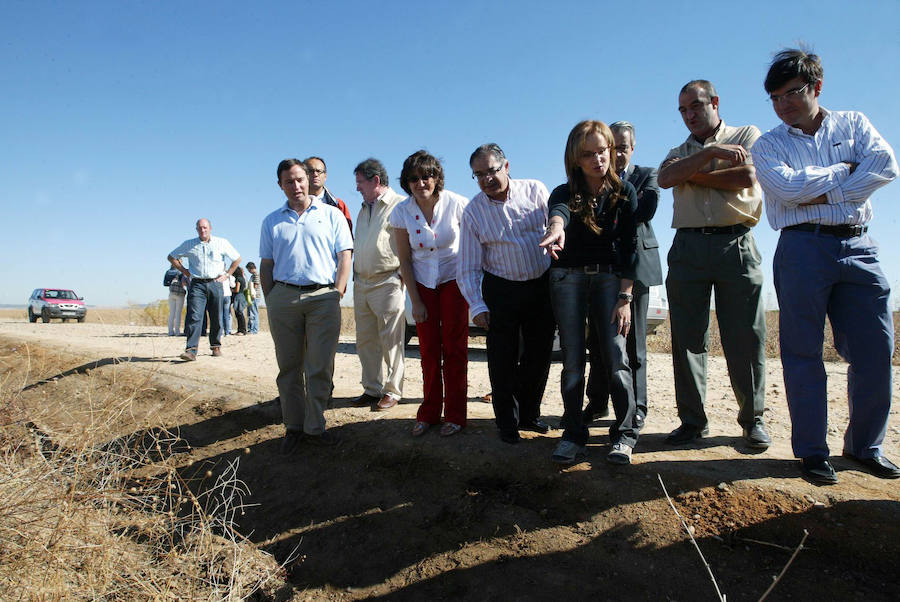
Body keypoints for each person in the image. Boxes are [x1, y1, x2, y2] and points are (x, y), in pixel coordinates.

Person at [751, 49, 899, 484]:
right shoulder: (769, 144)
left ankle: (866, 447)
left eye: (792, 93)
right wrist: (844, 176)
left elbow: (885, 165)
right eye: (775, 97)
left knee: (875, 350)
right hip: (801, 250)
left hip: (860, 248)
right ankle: (813, 454)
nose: (783, 104)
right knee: (802, 354)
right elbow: (784, 188)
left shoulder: (853, 124)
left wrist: (822, 192)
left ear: (817, 87)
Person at [658, 80, 770, 449]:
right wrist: (708, 155)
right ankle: (692, 421)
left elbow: (746, 177)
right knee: (688, 338)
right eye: (683, 110)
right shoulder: (679, 151)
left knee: (744, 337)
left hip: (735, 242)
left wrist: (694, 174)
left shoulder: (747, 134)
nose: (690, 115)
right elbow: (665, 178)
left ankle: (752, 421)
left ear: (715, 102)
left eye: (695, 106)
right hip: (688, 247)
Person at [539, 121, 639, 465]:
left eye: (603, 151)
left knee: (616, 356)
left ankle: (624, 435)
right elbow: (559, 214)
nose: (598, 159)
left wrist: (625, 297)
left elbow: (630, 248)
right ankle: (573, 434)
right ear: (575, 159)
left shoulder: (625, 193)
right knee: (571, 359)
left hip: (610, 281)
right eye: (588, 154)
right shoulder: (563, 193)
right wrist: (556, 228)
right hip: (568, 278)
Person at [458, 143, 555, 444]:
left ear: (507, 167)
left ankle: (529, 414)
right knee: (502, 359)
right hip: (501, 290)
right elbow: (468, 266)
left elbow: (558, 224)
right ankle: (506, 423)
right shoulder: (473, 212)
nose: (487, 179)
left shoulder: (536, 191)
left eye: (492, 170)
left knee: (538, 357)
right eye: (479, 175)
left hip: (541, 285)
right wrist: (477, 304)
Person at [260, 158, 353, 453]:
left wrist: (337, 293)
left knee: (319, 366)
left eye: (300, 179)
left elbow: (345, 256)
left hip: (323, 298)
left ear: (309, 179)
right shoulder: (272, 220)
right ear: (280, 185)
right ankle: (294, 428)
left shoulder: (332, 214)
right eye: (289, 181)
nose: (296, 185)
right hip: (283, 299)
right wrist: (271, 298)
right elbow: (267, 264)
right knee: (289, 368)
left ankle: (316, 428)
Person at [583, 121, 662, 430]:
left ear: (633, 148)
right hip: (601, 268)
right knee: (599, 343)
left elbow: (644, 211)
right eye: (611, 148)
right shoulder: (592, 179)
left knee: (632, 344)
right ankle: (598, 402)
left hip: (635, 269)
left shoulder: (646, 175)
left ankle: (636, 408)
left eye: (624, 148)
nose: (617, 155)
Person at [391, 150, 470, 437]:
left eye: (426, 176)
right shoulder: (401, 212)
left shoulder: (459, 204)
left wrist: (473, 288)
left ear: (437, 178)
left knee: (455, 349)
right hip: (422, 283)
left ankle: (456, 415)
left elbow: (472, 248)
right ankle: (429, 412)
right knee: (428, 351)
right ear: (406, 182)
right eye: (413, 178)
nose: (421, 183)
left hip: (454, 281)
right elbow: (405, 259)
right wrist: (416, 300)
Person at [351, 158, 406, 411]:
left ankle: (393, 391)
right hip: (361, 283)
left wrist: (402, 277)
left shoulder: (399, 206)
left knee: (391, 341)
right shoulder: (363, 209)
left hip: (387, 281)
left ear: (375, 180)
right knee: (365, 341)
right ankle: (371, 389)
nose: (357, 188)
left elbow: (407, 246)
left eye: (360, 182)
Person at [167, 218, 241, 360]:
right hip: (197, 284)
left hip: (215, 283)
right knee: (195, 316)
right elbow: (171, 257)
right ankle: (191, 350)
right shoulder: (189, 244)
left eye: (205, 227)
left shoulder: (222, 242)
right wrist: (184, 271)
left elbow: (237, 259)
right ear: (196, 229)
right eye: (200, 228)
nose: (203, 230)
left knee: (216, 316)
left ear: (210, 228)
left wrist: (227, 275)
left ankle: (215, 346)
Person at [305, 156, 354, 232]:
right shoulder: (294, 205)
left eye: (319, 171)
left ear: (325, 176)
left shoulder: (338, 205)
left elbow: (348, 237)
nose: (315, 174)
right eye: (310, 171)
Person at [166, 268, 188, 336]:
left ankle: (170, 331)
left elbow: (165, 283)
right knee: (178, 313)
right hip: (180, 293)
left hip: (171, 293)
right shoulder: (181, 272)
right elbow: (184, 283)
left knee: (171, 313)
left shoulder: (168, 272)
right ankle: (177, 332)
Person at [231, 266, 248, 335]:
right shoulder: (243, 278)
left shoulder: (238, 279)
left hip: (238, 296)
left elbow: (237, 290)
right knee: (240, 313)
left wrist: (232, 289)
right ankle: (241, 330)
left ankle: (242, 330)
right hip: (242, 296)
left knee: (239, 313)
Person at [246, 261, 261, 334]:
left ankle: (254, 330)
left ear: (250, 268)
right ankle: (251, 329)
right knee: (252, 312)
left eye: (248, 269)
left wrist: (251, 292)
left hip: (254, 295)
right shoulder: (254, 275)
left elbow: (256, 285)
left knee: (254, 312)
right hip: (253, 295)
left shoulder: (256, 274)